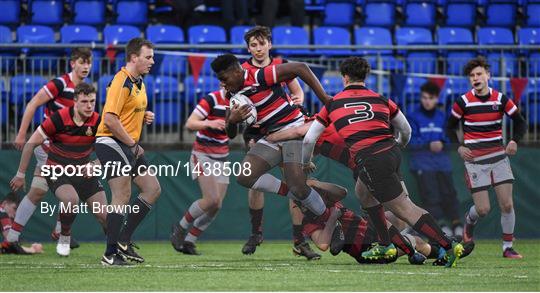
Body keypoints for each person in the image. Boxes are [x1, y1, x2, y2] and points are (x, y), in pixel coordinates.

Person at [301, 57, 464, 268]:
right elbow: (406, 130)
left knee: (404, 208)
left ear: (345, 77)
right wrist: (398, 145)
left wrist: (305, 163)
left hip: (370, 158)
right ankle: (386, 244)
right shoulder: (380, 98)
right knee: (363, 193)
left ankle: (448, 245)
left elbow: (308, 139)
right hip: (391, 151)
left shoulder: (333, 103)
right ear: (365, 77)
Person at [212, 53, 338, 255]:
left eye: (224, 79)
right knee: (245, 176)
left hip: (294, 130)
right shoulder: (231, 95)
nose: (222, 84)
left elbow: (301, 67)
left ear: (236, 71)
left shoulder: (260, 75)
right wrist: (231, 120)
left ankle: (330, 218)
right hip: (271, 137)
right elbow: (230, 133)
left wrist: (325, 99)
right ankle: (308, 196)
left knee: (298, 185)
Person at [236, 26, 319, 260]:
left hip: (287, 129)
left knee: (295, 182)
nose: (258, 48)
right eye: (254, 45)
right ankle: (256, 233)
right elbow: (236, 102)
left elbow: (298, 93)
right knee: (252, 182)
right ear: (248, 48)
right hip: (258, 131)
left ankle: (299, 241)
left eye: (262, 44)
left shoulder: (282, 65)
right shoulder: (242, 71)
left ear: (269, 44)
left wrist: (297, 101)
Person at [5, 48, 92, 251]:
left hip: (64, 148)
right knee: (69, 187)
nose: (86, 66)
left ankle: (13, 237)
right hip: (48, 147)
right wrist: (21, 133)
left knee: (38, 191)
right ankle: (60, 232)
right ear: (73, 64)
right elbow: (33, 103)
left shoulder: (85, 90)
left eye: (89, 62)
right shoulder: (60, 83)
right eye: (82, 62)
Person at [8, 83, 107, 257]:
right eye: (85, 101)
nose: (89, 106)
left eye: (92, 101)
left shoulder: (98, 120)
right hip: (55, 167)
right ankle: (63, 234)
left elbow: (110, 149)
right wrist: (20, 174)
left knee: (106, 216)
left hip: (81, 168)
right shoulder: (59, 115)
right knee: (67, 198)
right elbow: (31, 143)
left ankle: (116, 249)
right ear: (74, 101)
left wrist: (96, 164)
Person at [447, 57, 527, 259]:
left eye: (479, 74)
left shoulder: (500, 99)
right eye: (472, 75)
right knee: (483, 209)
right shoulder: (463, 101)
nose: (476, 78)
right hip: (475, 161)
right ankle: (469, 223)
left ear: (488, 76)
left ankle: (507, 247)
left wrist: (514, 140)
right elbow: (449, 127)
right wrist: (459, 147)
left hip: (499, 158)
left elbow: (520, 122)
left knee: (507, 204)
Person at [95, 37, 160, 266]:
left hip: (127, 143)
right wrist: (132, 144)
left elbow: (126, 113)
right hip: (110, 142)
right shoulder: (121, 80)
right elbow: (110, 120)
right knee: (121, 194)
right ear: (134, 57)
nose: (153, 61)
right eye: (148, 57)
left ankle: (123, 240)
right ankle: (110, 254)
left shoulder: (139, 81)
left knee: (152, 189)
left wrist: (144, 116)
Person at [170, 88, 229, 255]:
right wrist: (209, 123)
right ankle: (180, 227)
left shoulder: (241, 101)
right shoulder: (212, 99)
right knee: (211, 199)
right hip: (202, 154)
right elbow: (190, 123)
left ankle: (190, 241)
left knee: (216, 205)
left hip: (222, 155)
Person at [408, 81, 463, 237]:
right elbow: (409, 139)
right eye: (424, 97)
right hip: (422, 164)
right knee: (431, 196)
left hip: (443, 164)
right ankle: (440, 226)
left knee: (449, 194)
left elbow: (449, 136)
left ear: (437, 98)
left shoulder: (443, 116)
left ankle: (456, 224)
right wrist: (428, 144)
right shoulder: (412, 116)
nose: (427, 101)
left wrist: (443, 142)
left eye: (430, 98)